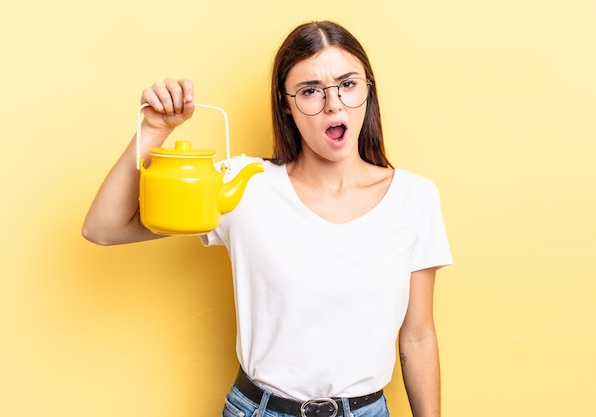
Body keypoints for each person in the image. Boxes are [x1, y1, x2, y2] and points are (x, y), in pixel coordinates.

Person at [83, 20, 452, 417]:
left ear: (368, 89)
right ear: (285, 103)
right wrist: (154, 127)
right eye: (310, 91)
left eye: (348, 84)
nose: (333, 104)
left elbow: (417, 337)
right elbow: (104, 228)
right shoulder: (244, 185)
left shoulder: (415, 197)